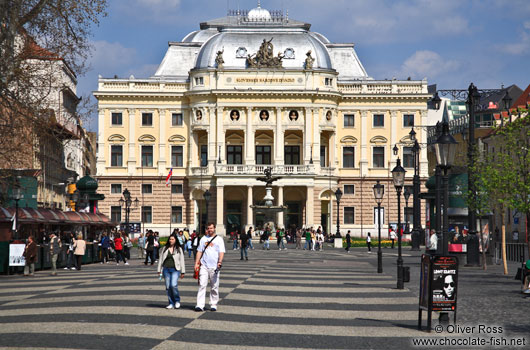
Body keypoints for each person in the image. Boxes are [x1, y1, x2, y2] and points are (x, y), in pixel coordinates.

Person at [194, 223, 225, 312]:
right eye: (208, 228)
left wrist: (220, 262)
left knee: (214, 286)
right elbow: (199, 251)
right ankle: (200, 305)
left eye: (211, 228)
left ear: (214, 228)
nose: (209, 230)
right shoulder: (203, 239)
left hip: (214, 266)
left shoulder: (219, 239)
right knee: (202, 285)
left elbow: (221, 252)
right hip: (204, 265)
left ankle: (213, 304)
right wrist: (196, 263)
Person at [158, 234, 186, 309]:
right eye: (170, 239)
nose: (171, 241)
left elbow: (182, 260)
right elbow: (160, 259)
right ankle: (171, 302)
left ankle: (177, 301)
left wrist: (183, 271)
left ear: (176, 240)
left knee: (173, 285)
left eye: (173, 239)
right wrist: (159, 270)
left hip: (175, 269)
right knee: (168, 286)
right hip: (166, 269)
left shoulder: (179, 249)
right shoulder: (165, 248)